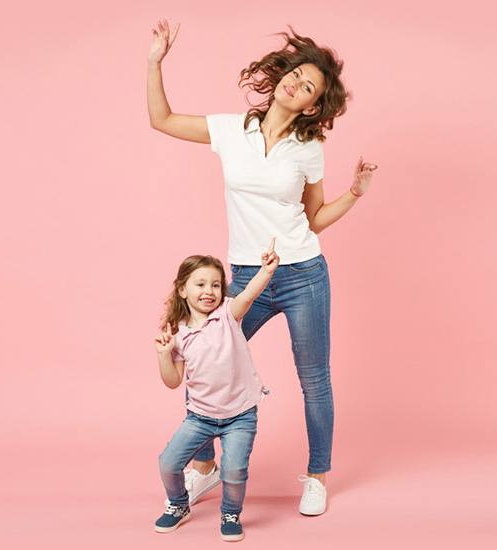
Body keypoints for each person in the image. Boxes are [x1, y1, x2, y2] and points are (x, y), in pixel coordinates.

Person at [147, 19, 378, 516]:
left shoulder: (309, 148)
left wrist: (355, 193)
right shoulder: (232, 130)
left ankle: (317, 475)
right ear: (281, 78)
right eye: (296, 74)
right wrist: (155, 61)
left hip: (302, 275)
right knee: (206, 358)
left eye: (308, 86)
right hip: (247, 275)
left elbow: (313, 218)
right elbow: (161, 120)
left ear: (312, 105)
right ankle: (206, 468)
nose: (296, 83)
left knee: (314, 377)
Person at [154, 240, 279, 541]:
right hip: (200, 416)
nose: (208, 291)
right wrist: (163, 354)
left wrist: (266, 270)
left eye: (215, 284)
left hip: (240, 415)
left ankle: (231, 512)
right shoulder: (179, 333)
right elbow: (173, 381)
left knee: (234, 471)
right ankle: (179, 505)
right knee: (168, 463)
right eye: (200, 284)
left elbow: (248, 295)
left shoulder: (227, 314)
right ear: (183, 289)